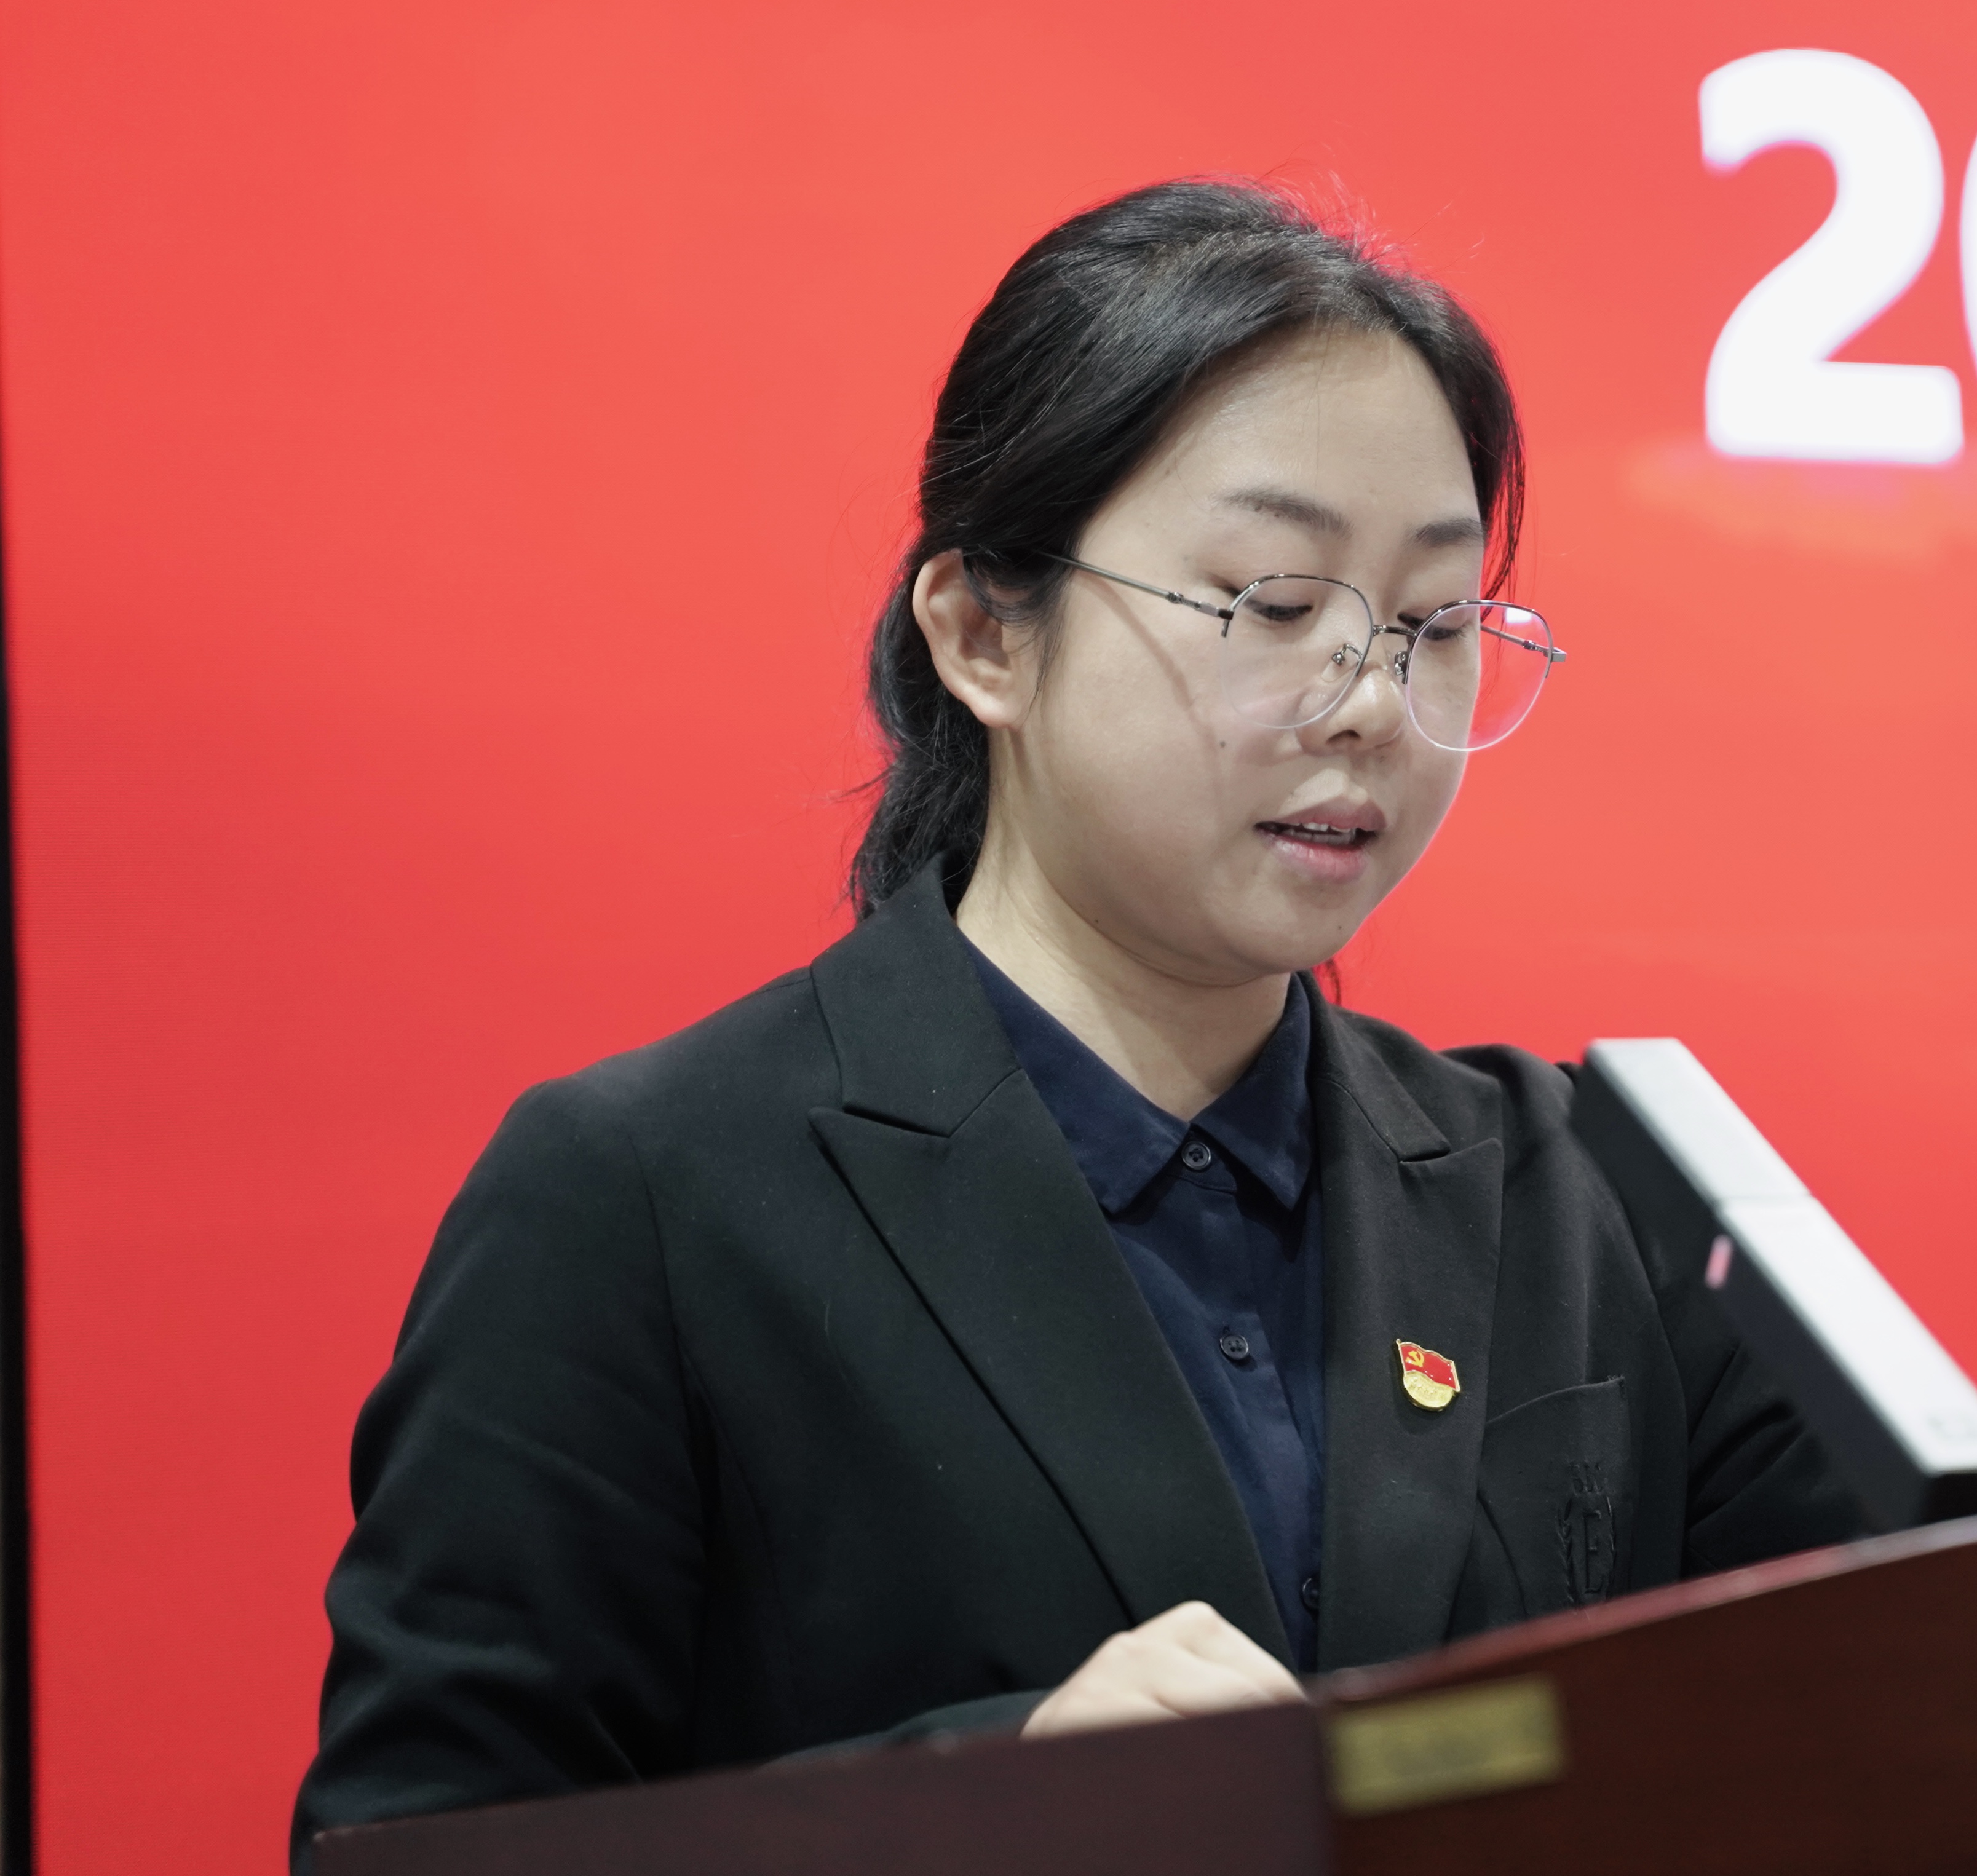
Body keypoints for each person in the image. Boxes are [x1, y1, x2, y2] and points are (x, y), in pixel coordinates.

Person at [295, 182, 1861, 1862]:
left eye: (1430, 624)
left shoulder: (1589, 1191)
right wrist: (990, 1804)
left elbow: (1928, 1674)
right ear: (984, 634)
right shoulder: (644, 1197)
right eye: (1274, 605)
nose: (1369, 705)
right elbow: (414, 1843)